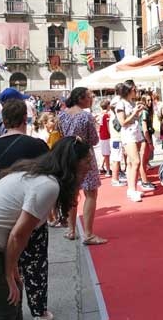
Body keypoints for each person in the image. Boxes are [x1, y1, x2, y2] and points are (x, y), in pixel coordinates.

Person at [0, 137, 90, 320]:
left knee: (12, 301)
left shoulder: (34, 173)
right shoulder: (48, 186)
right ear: (73, 163)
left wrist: (12, 270)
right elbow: (18, 236)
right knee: (6, 310)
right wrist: (9, 274)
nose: (90, 167)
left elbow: (16, 235)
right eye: (87, 162)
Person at [0, 99, 52, 320]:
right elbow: (50, 176)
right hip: (31, 213)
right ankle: (39, 310)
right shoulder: (36, 145)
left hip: (1, 216)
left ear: (4, 120)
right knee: (35, 264)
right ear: (24, 119)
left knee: (8, 265)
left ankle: (13, 307)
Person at [58, 87, 106, 244]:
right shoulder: (86, 116)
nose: (91, 99)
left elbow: (61, 135)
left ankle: (71, 230)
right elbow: (94, 140)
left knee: (72, 193)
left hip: (67, 155)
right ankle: (88, 234)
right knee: (90, 193)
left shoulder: (62, 115)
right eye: (88, 97)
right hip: (84, 156)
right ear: (80, 98)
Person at [115, 81, 150, 203]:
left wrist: (138, 111)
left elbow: (133, 118)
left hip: (135, 132)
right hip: (128, 134)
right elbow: (122, 122)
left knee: (131, 163)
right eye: (135, 90)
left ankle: (131, 189)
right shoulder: (121, 104)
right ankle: (132, 189)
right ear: (129, 91)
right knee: (136, 162)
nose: (136, 92)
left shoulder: (131, 102)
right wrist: (135, 112)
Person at [108, 94, 127, 187]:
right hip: (117, 140)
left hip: (116, 140)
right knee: (116, 159)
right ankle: (115, 179)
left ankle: (116, 178)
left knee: (116, 159)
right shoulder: (115, 117)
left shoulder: (113, 116)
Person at [138, 93, 156, 179]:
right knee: (144, 160)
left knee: (144, 160)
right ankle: (144, 180)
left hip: (145, 137)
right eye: (148, 100)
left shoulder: (146, 111)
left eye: (151, 100)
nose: (150, 102)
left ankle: (144, 179)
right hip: (144, 138)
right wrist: (149, 142)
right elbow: (144, 128)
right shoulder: (145, 112)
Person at [98, 99, 111, 174]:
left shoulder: (100, 114)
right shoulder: (106, 115)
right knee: (107, 154)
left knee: (105, 152)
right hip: (106, 135)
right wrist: (111, 134)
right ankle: (108, 170)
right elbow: (108, 127)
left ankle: (101, 166)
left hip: (102, 135)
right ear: (108, 106)